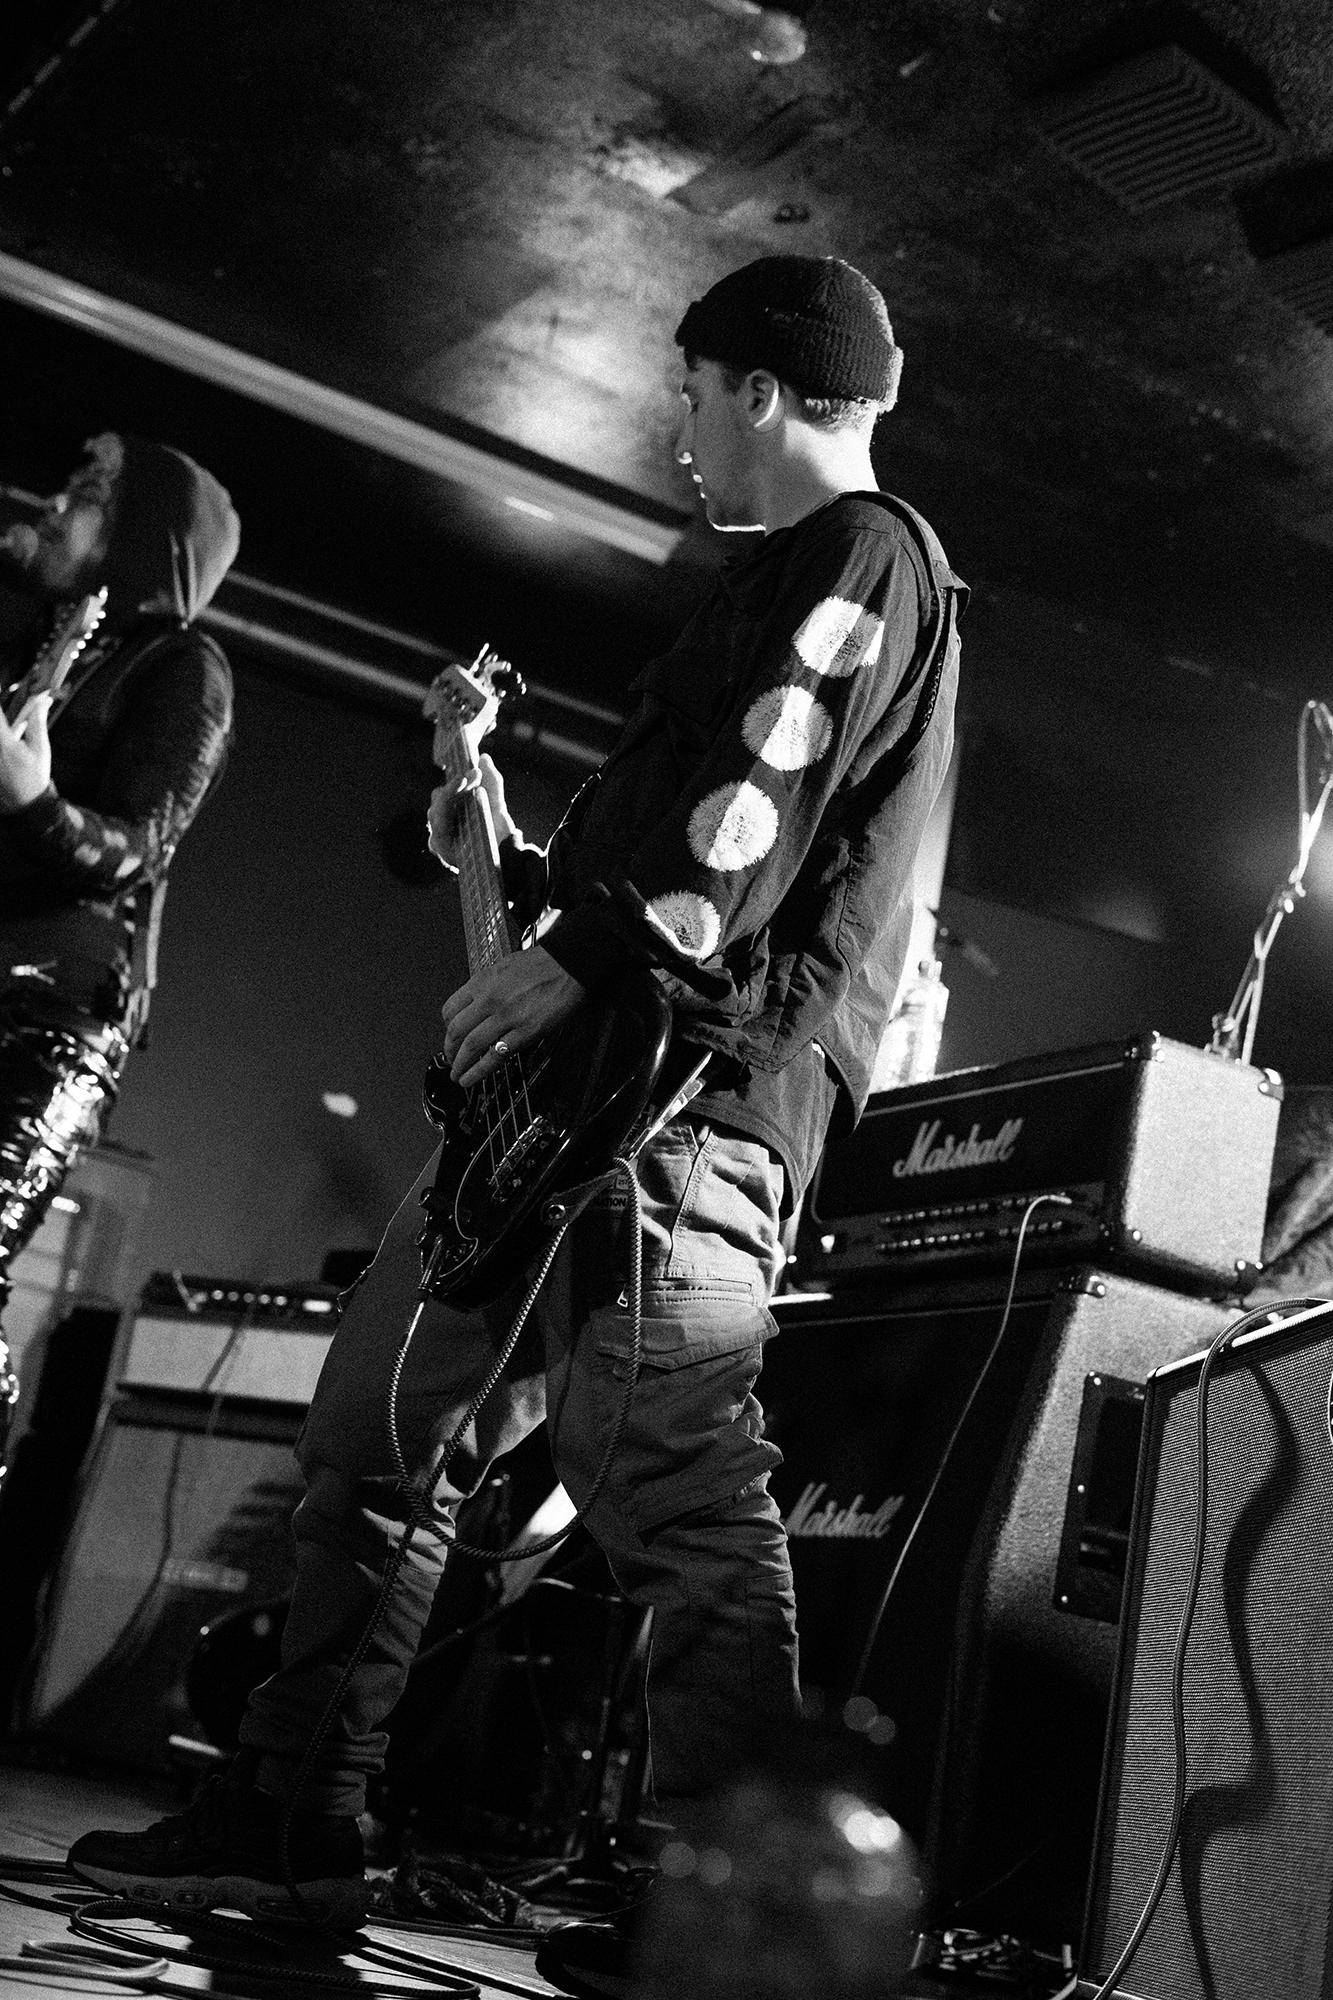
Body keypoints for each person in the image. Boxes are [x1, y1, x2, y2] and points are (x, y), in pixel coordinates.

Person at [67, 258, 966, 1995]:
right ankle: (291, 1820)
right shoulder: (774, 578)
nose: (679, 431)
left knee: (676, 1489)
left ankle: (731, 1908)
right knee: (373, 1443)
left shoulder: (865, 554)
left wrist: (582, 953)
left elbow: (756, 808)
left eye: (690, 392)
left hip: (685, 1112)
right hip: (567, 1106)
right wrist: (513, 860)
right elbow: (675, 850)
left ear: (759, 389)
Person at [0, 434, 237, 1465]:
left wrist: (34, 798)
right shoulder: (45, 643)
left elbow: (141, 845)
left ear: (144, 535)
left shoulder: (184, 665)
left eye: (87, 491)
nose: (56, 502)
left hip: (49, 1019)